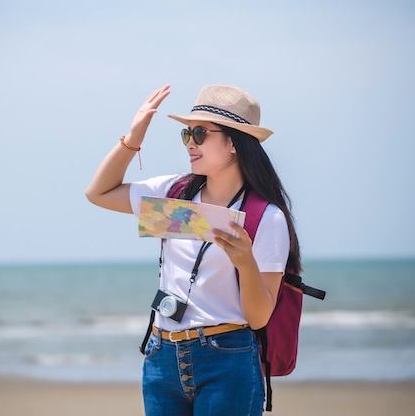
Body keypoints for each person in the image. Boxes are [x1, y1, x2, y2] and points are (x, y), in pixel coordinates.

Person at [85, 84, 301, 416]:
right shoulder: (175, 192)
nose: (189, 143)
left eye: (200, 133)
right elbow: (98, 193)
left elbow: (259, 318)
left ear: (233, 142)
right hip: (161, 356)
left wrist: (244, 262)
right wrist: (133, 137)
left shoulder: (265, 217)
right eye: (186, 133)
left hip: (226, 358)